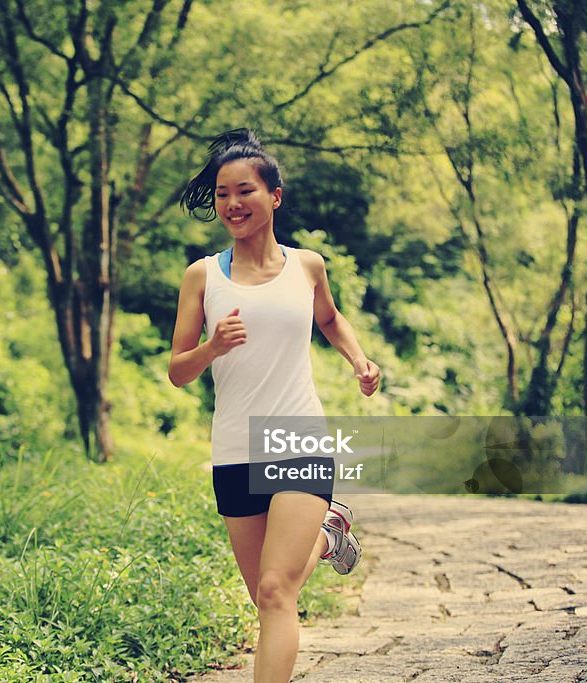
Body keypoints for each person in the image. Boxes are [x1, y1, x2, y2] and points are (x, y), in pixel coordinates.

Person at [167, 129, 381, 683]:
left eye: (245, 191)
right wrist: (212, 347)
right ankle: (331, 532)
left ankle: (326, 527)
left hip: (297, 435)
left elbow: (329, 319)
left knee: (275, 588)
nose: (233, 204)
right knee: (267, 597)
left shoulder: (307, 266)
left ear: (274, 196)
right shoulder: (202, 276)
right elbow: (177, 371)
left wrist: (359, 361)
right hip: (235, 444)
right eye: (222, 194)